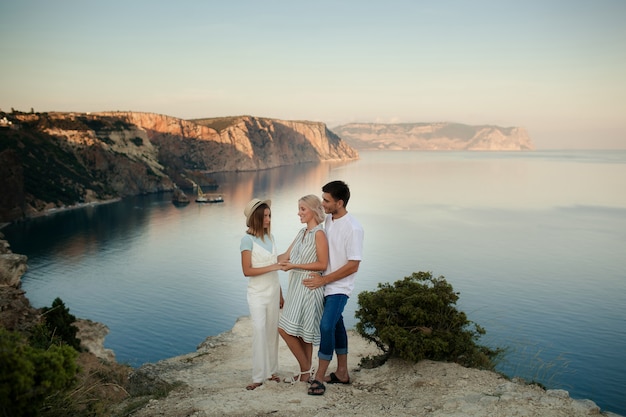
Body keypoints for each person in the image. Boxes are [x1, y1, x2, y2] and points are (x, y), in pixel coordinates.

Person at [303, 180, 364, 396]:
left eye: (327, 200)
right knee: (337, 325)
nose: (323, 203)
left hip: (339, 287)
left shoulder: (354, 228)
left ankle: (319, 377)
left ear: (339, 202)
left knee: (327, 326)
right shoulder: (327, 221)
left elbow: (353, 265)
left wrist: (324, 280)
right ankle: (342, 373)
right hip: (325, 285)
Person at [277, 195, 329, 384]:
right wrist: (263, 258)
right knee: (303, 334)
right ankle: (306, 373)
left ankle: (305, 371)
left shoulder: (319, 234)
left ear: (314, 210)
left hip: (309, 287)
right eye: (299, 209)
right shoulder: (302, 233)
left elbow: (322, 263)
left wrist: (295, 266)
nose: (298, 213)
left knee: (284, 329)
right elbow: (285, 256)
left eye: (302, 209)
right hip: (296, 287)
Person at [240, 198, 284, 390]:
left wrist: (281, 293)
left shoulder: (271, 237)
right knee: (259, 330)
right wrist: (273, 265)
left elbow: (276, 268)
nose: (268, 219)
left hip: (274, 291)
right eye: (265, 216)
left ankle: (272, 371)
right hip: (257, 293)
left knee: (272, 332)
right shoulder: (246, 240)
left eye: (269, 215)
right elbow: (247, 270)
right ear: (256, 218)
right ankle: (258, 377)